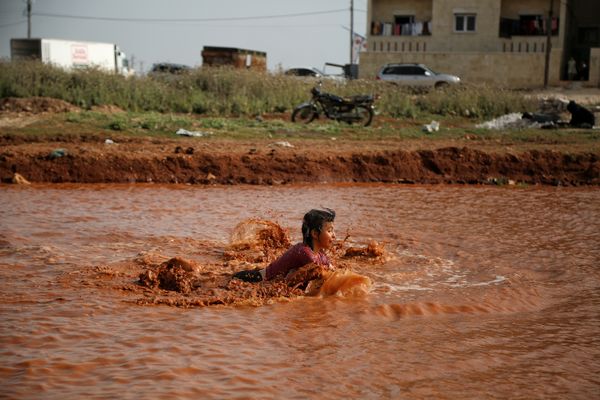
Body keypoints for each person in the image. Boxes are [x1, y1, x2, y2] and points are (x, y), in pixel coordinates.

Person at [232, 208, 336, 282]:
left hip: (265, 275)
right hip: (256, 278)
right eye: (330, 231)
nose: (334, 235)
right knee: (235, 278)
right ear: (314, 234)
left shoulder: (321, 255)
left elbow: (332, 271)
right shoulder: (305, 252)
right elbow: (325, 276)